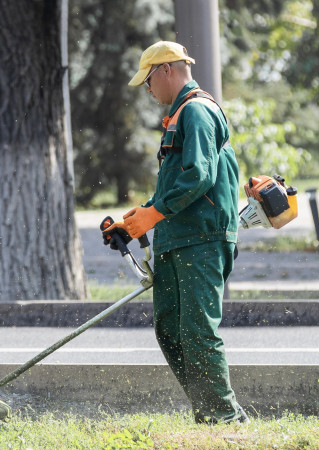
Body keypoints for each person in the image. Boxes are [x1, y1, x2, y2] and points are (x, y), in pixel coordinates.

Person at [104, 41, 247, 424]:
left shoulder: (197, 110)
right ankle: (211, 409)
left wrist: (155, 213)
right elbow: (174, 184)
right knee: (170, 330)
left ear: (166, 70)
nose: (148, 91)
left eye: (148, 81)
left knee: (198, 331)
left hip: (201, 238)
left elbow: (200, 175)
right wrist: (137, 218)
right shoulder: (179, 115)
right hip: (177, 237)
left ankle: (224, 419)